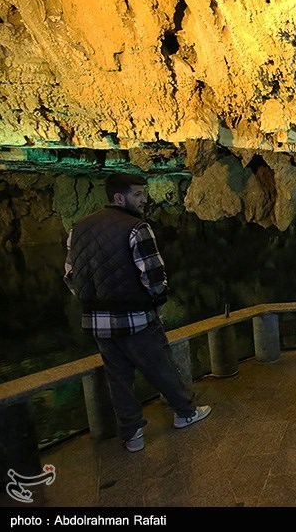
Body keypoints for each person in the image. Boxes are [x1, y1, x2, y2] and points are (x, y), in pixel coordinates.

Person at [64, 172, 211, 452]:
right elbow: (153, 275)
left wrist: (92, 304)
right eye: (138, 194)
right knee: (160, 367)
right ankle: (185, 413)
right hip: (136, 318)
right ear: (119, 197)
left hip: (99, 324)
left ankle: (132, 434)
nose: (145, 200)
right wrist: (156, 301)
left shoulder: (77, 228)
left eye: (144, 193)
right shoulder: (136, 228)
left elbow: (71, 275)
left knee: (118, 379)